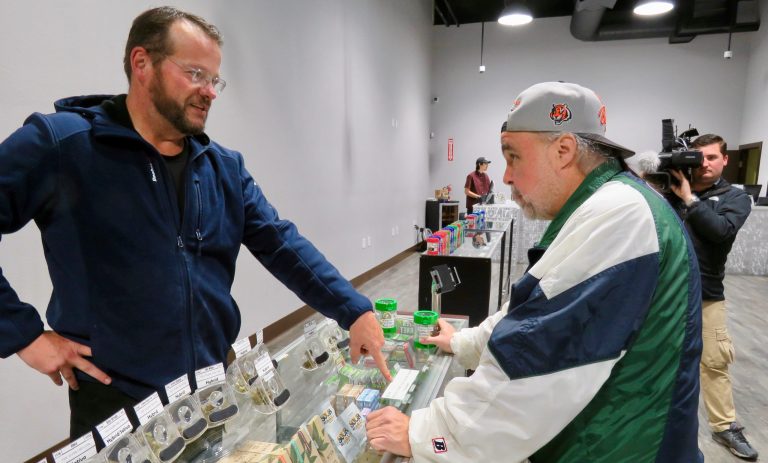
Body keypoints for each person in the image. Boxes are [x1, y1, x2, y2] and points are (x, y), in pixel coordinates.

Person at [0, 6, 389, 439]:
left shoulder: (222, 168)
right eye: (195, 74)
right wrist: (24, 335)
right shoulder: (65, 146)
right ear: (142, 64)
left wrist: (353, 309)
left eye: (214, 79)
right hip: (115, 406)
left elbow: (281, 244)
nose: (210, 92)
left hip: (207, 396)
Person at [366, 82, 704, 462]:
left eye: (514, 158)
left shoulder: (618, 214)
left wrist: (424, 435)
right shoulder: (612, 204)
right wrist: (465, 343)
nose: (507, 177)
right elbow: (535, 314)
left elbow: (529, 371)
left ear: (563, 151)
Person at [667, 134, 757, 461]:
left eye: (711, 158)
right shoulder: (671, 188)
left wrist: (690, 199)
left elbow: (721, 231)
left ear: (724, 160)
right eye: (698, 158)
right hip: (665, 291)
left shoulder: (736, 197)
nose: (704, 164)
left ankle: (724, 425)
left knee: (715, 360)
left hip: (707, 293)